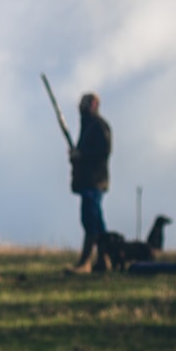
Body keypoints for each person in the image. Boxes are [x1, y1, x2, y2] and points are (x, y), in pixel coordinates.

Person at [67, 92, 112, 273]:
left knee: (91, 221)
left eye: (84, 102)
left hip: (95, 181)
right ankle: (104, 260)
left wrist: (81, 155)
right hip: (89, 181)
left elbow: (103, 152)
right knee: (96, 223)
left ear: (93, 104)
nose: (80, 105)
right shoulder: (88, 126)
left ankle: (85, 262)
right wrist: (76, 156)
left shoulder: (99, 126)